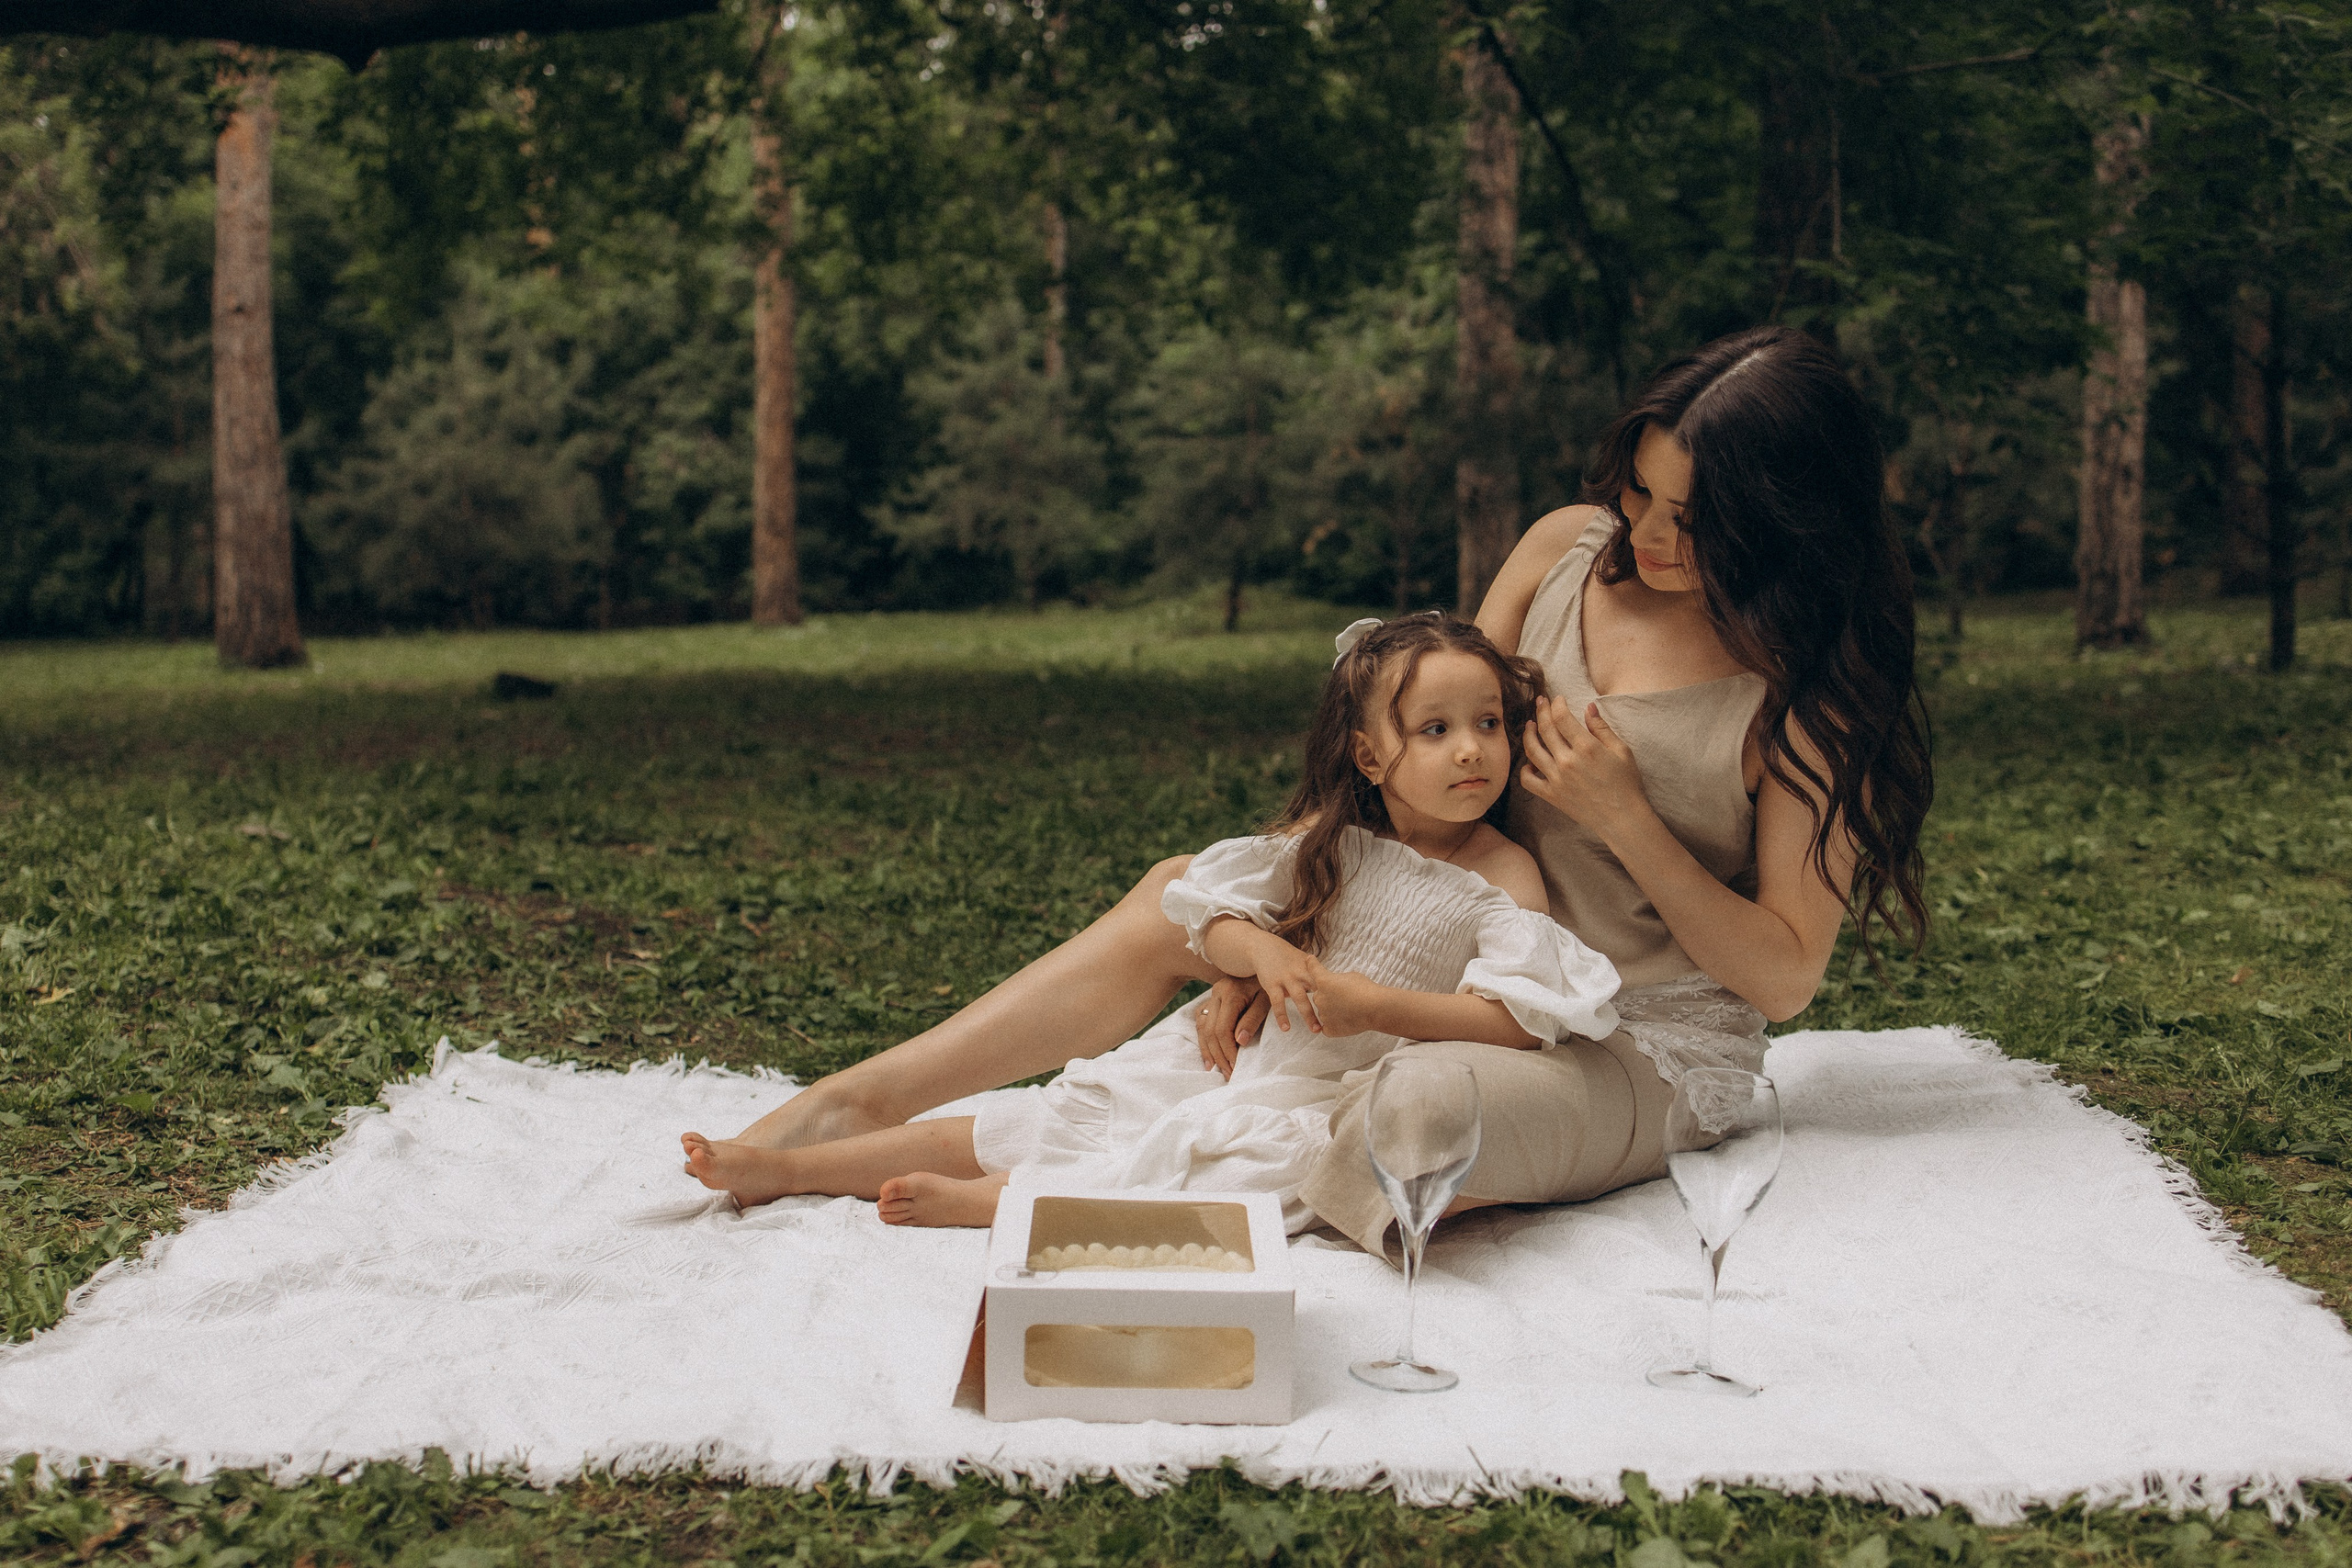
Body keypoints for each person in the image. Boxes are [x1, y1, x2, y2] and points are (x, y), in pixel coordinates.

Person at [700, 324, 1932, 1259]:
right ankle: (857, 1101)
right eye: (1644, 493)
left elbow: (1780, 974)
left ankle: (1113, 1211)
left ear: (1786, 522)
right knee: (1179, 893)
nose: (1648, 535)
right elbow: (1415, 727)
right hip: (1435, 933)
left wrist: (1625, 820)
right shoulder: (1565, 551)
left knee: (1418, 1114)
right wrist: (1275, 923)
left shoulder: (1813, 691)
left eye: (1693, 517)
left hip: (1622, 1035)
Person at [681, 614, 1623, 1229]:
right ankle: (792, 1169)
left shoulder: (1502, 873)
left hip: (1326, 1089)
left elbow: (1517, 1020)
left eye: (1489, 724)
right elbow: (1204, 909)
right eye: (1436, 730)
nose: (1472, 752)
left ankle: (1007, 1205)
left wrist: (1375, 1003)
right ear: (1370, 758)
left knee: (1223, 1164)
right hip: (1237, 1051)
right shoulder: (1339, 834)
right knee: (1062, 1112)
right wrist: (1253, 950)